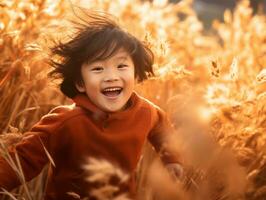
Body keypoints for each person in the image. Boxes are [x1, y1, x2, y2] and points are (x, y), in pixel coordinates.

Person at [0, 11, 183, 200]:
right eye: (98, 68)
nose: (111, 76)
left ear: (136, 74)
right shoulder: (66, 122)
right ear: (80, 83)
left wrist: (172, 159)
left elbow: (161, 126)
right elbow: (22, 159)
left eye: (121, 66)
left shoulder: (145, 112)